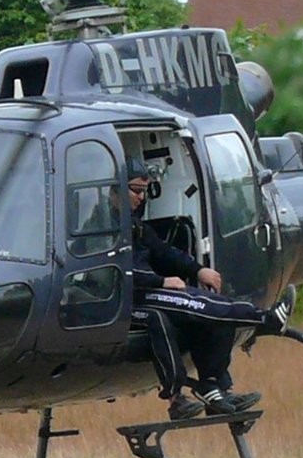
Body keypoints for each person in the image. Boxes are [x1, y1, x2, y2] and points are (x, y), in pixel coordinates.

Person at [126, 158, 293, 420]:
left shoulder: (135, 225)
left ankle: (214, 387)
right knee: (203, 307)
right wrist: (161, 282)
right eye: (136, 190)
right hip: (130, 298)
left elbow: (162, 251)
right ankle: (267, 319)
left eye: (145, 191)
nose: (141, 197)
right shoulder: (103, 228)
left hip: (146, 292)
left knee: (213, 312)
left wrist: (196, 270)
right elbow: (112, 272)